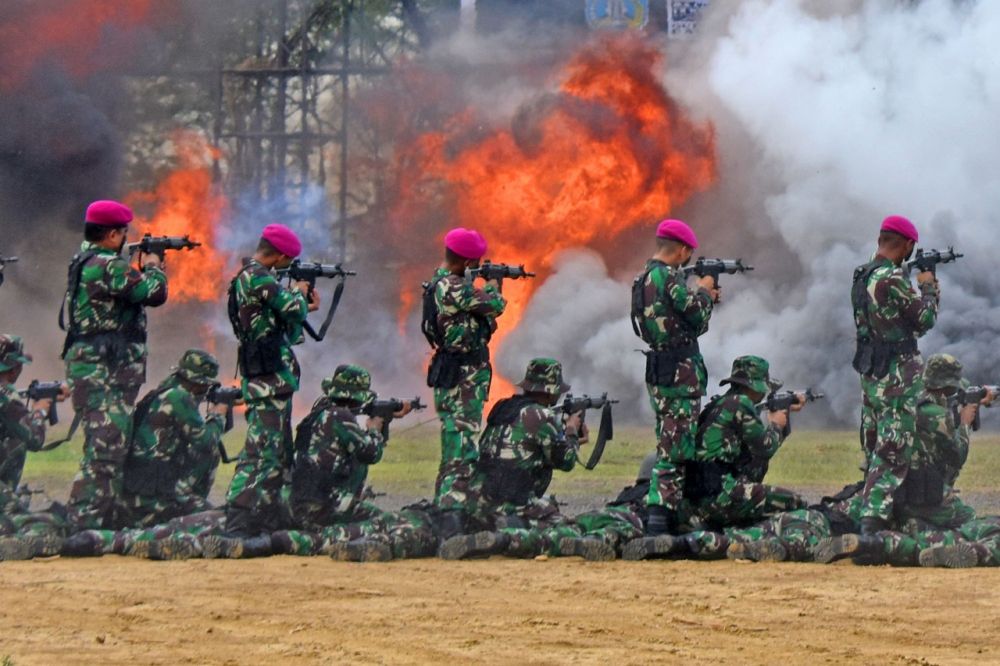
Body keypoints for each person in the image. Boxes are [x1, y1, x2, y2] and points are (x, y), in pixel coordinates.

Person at [624, 356, 807, 560]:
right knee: (795, 503)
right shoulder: (742, 404)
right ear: (754, 386)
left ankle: (701, 532)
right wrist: (777, 425)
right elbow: (766, 448)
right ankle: (734, 539)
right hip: (724, 494)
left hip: (699, 495)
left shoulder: (719, 404)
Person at [815, 354, 992, 566]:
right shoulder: (937, 415)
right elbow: (958, 455)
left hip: (884, 489)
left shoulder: (903, 405)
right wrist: (964, 422)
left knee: (838, 514)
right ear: (948, 388)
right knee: (972, 522)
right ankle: (915, 536)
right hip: (922, 494)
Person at [62, 200, 168, 530]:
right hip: (103, 368)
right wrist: (153, 265)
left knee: (108, 444)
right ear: (111, 235)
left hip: (99, 365)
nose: (125, 238)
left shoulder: (84, 259)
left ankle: (102, 515)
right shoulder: (109, 265)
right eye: (122, 233)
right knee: (106, 446)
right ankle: (84, 523)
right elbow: (154, 293)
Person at [438, 358, 586, 560]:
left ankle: (490, 531)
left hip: (480, 498)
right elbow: (566, 461)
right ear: (551, 390)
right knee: (569, 531)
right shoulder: (542, 416)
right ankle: (501, 539)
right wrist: (571, 433)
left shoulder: (504, 407)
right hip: (514, 500)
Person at [224, 223, 317, 536]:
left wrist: (302, 306)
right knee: (262, 450)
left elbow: (284, 325)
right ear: (276, 256)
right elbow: (292, 307)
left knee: (272, 450)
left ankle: (264, 512)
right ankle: (240, 515)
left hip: (271, 375)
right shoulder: (257, 277)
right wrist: (301, 293)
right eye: (286, 261)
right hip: (267, 378)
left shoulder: (251, 277)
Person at [852, 215, 938, 534]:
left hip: (871, 369)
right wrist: (928, 285)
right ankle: (873, 521)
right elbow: (924, 320)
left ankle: (872, 507)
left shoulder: (862, 275)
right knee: (894, 443)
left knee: (874, 440)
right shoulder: (891, 278)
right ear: (908, 245)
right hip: (896, 372)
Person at [631, 219, 717, 536]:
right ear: (681, 250)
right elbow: (696, 315)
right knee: (675, 450)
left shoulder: (643, 279)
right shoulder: (669, 279)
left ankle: (665, 513)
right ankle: (659, 519)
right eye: (688, 254)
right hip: (680, 371)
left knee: (667, 440)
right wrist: (705, 293)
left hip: (659, 369)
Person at [422, 227, 506, 535]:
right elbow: (496, 305)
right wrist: (495, 284)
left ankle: (448, 505)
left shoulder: (436, 283)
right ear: (465, 261)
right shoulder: (455, 286)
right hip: (463, 377)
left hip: (449, 372)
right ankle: (455, 516)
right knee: (463, 445)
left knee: (452, 443)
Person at [117, 349, 230, 528]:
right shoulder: (179, 397)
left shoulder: (161, 392)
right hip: (157, 493)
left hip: (137, 486)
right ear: (197, 383)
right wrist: (219, 414)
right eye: (205, 386)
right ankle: (183, 508)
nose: (206, 390)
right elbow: (206, 441)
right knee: (220, 522)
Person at [0, 335, 71, 561]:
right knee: (45, 524)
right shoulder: (6, 398)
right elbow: (34, 438)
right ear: (13, 368)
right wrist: (39, 410)